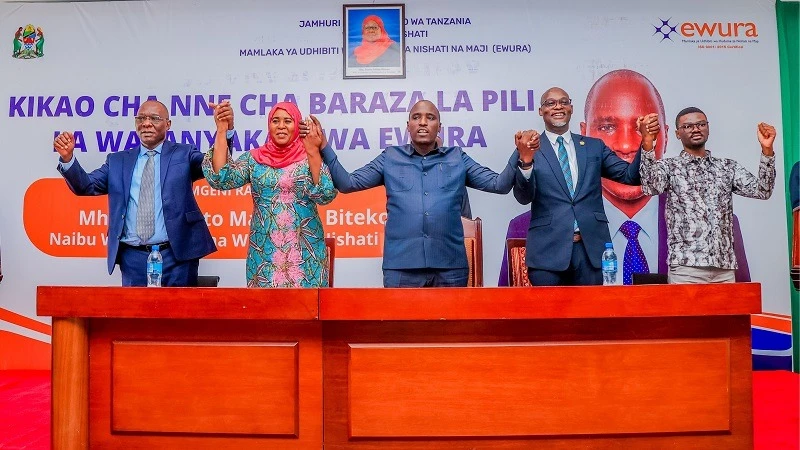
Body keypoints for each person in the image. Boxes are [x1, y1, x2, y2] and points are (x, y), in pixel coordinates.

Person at [309, 99, 532, 287]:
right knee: (402, 335)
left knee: (450, 336)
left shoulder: (457, 158)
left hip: (450, 267)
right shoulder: (390, 157)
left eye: (430, 117)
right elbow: (348, 183)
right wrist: (325, 147)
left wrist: (519, 155)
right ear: (408, 125)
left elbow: (499, 185)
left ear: (439, 126)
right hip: (401, 268)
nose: (423, 122)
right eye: (416, 117)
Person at [55, 100, 221, 286]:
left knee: (178, 314)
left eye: (154, 118)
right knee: (135, 314)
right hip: (133, 258)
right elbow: (85, 186)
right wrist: (68, 159)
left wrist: (223, 132)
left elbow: (215, 166)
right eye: (141, 118)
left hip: (178, 257)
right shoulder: (117, 161)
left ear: (168, 124)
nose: (146, 123)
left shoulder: (184, 154)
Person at [512, 87, 659, 286]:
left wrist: (646, 143)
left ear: (571, 108)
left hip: (590, 251)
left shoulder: (593, 147)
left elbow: (630, 176)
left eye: (564, 102)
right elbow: (522, 197)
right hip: (548, 254)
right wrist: (527, 163)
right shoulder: (529, 147)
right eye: (550, 103)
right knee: (550, 316)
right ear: (541, 111)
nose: (558, 107)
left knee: (590, 316)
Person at [203, 101, 336, 287]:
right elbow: (221, 178)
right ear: (269, 125)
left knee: (307, 312)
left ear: (297, 125)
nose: (281, 126)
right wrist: (222, 129)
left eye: (288, 121)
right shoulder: (254, 159)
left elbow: (325, 194)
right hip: (265, 254)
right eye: (275, 121)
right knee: (265, 311)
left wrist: (313, 151)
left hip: (306, 254)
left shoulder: (309, 156)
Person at [640, 107, 776, 284]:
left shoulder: (727, 167)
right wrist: (648, 144)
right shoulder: (670, 167)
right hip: (686, 270)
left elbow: (763, 190)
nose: (696, 129)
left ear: (708, 128)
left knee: (727, 313)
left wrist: (767, 151)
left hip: (724, 269)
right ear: (677, 134)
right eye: (688, 126)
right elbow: (650, 187)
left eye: (701, 124)